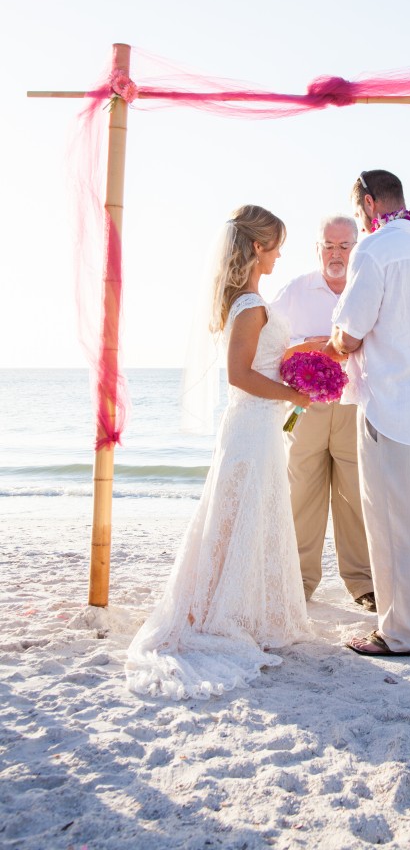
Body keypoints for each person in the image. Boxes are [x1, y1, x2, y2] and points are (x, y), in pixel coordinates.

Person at [125, 205, 311, 699]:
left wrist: (302, 361)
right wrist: (294, 395)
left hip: (257, 426)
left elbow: (263, 363)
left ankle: (248, 607)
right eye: (276, 245)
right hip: (252, 425)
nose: (279, 254)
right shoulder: (249, 305)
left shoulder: (249, 302)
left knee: (251, 514)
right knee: (244, 511)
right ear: (257, 247)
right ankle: (226, 614)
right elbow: (242, 376)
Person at [327, 170, 410, 657]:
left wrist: (335, 345)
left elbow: (351, 332)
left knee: (390, 520)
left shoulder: (376, 249)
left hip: (390, 405)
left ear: (367, 204)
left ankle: (400, 633)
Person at [272, 216, 374, 610]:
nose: (336, 253)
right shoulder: (293, 292)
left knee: (355, 496)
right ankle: (298, 582)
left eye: (344, 245)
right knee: (301, 493)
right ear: (317, 249)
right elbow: (270, 347)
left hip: (355, 406)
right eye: (328, 245)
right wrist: (313, 347)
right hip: (304, 408)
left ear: (357, 246)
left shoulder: (368, 288)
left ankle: (363, 583)